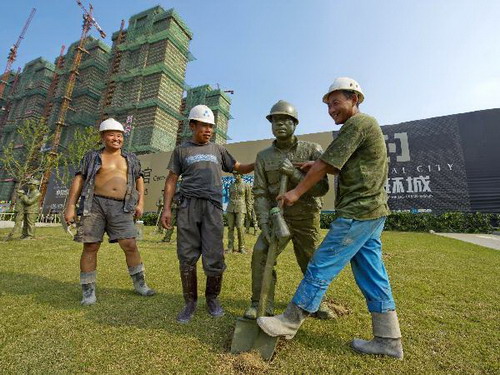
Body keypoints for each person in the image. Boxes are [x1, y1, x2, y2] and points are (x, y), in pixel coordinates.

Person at [257, 78, 403, 359]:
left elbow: (326, 165)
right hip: (372, 212)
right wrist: (316, 165)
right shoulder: (362, 127)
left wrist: (296, 192)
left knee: (321, 264)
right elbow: (338, 165)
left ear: (354, 99)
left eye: (336, 103)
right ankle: (388, 339)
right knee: (373, 275)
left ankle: (288, 321)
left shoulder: (358, 124)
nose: (331, 109)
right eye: (328, 104)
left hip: (358, 212)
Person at [244, 100, 337, 320]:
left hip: (306, 216)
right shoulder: (263, 157)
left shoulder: (312, 150)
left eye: (286, 120)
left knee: (310, 259)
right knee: (261, 252)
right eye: (275, 121)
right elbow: (259, 193)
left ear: (295, 123)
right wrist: (265, 222)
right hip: (279, 217)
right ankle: (260, 303)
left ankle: (316, 302)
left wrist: (295, 175)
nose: (280, 125)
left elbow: (322, 188)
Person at [161, 104, 254, 323]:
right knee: (187, 255)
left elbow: (238, 166)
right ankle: (190, 303)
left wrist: (258, 164)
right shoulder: (181, 150)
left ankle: (212, 298)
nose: (208, 130)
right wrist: (166, 208)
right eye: (203, 126)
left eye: (211, 126)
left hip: (212, 207)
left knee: (214, 255)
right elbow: (171, 180)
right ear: (192, 126)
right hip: (187, 206)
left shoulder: (218, 150)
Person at [64, 118, 155, 306]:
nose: (116, 138)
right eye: (112, 134)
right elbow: (79, 179)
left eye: (120, 135)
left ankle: (140, 284)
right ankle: (88, 292)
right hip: (94, 204)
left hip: (122, 206)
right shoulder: (91, 156)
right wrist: (71, 206)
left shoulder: (130, 158)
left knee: (130, 244)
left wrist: (140, 204)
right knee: (90, 246)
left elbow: (139, 179)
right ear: (103, 137)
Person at [226, 172, 249, 254]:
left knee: (240, 227)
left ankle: (241, 247)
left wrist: (248, 211)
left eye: (238, 174)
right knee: (230, 227)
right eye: (235, 174)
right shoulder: (231, 186)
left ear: (242, 175)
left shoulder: (246, 185)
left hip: (241, 207)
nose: (236, 176)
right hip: (230, 208)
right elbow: (229, 196)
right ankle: (230, 247)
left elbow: (248, 199)